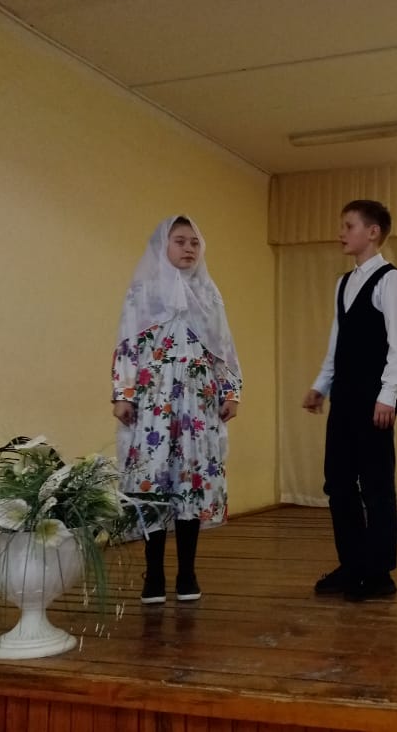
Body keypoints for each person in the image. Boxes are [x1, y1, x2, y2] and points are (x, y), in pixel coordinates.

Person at [111, 216, 241, 605]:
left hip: (198, 405)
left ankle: (187, 572)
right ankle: (153, 573)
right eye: (180, 241)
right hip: (154, 403)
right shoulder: (144, 292)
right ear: (162, 246)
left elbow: (223, 348)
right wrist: (123, 393)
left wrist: (231, 391)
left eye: (194, 242)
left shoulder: (209, 295)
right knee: (152, 482)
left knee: (190, 482)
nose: (188, 249)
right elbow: (127, 345)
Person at [302, 200, 397, 602]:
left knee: (376, 485)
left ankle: (379, 574)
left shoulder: (391, 280)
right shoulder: (343, 283)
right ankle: (352, 565)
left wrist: (388, 395)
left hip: (374, 397)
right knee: (339, 483)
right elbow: (338, 342)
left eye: (349, 226)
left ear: (373, 232)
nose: (341, 233)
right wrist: (321, 385)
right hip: (345, 397)